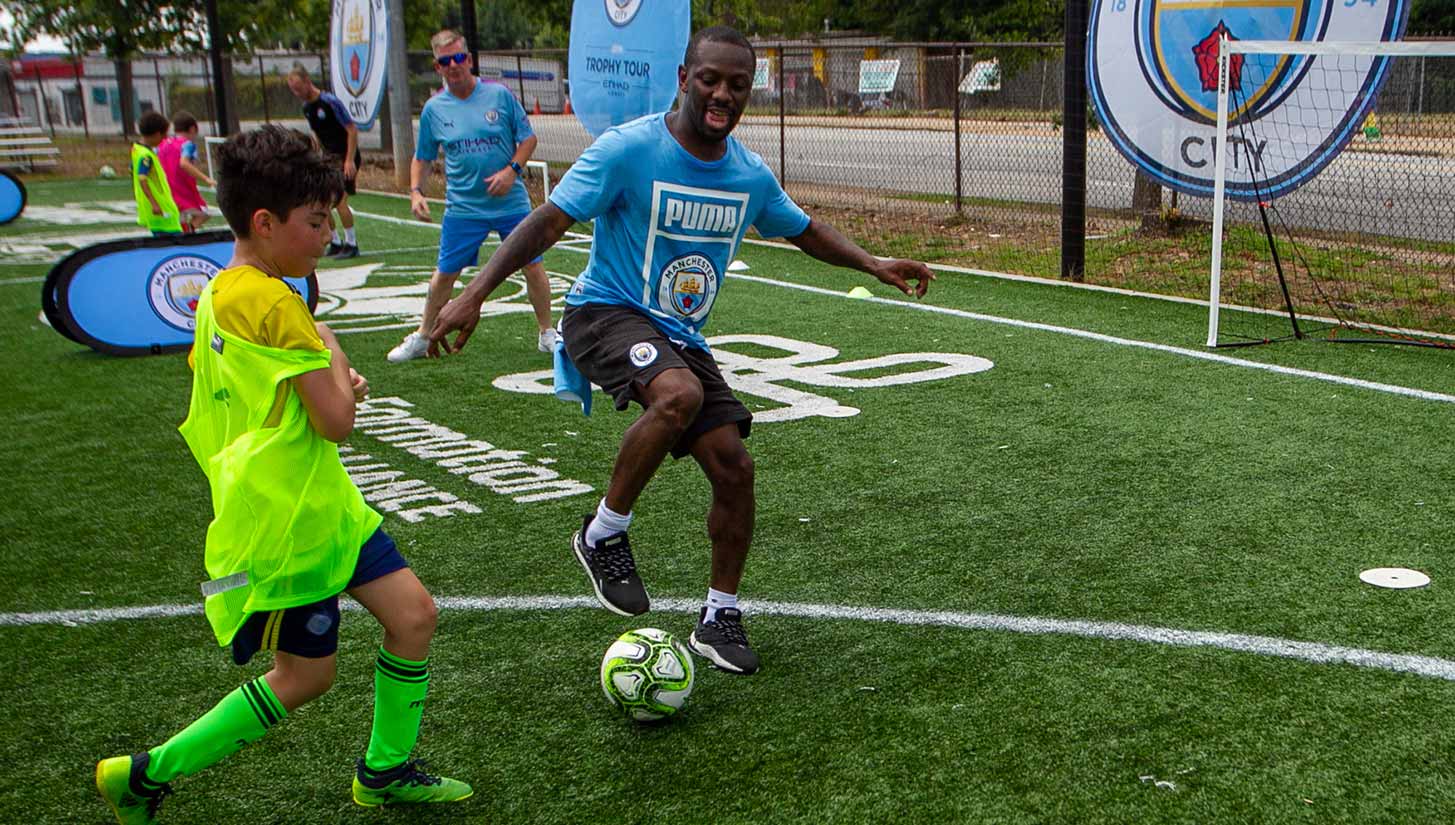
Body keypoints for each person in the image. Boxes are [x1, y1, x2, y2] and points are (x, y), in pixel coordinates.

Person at [426, 26, 934, 675]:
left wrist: (872, 262)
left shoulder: (746, 174)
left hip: (677, 336)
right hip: (603, 311)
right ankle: (602, 533)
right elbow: (547, 220)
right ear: (683, 79)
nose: (722, 95)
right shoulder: (628, 150)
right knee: (678, 394)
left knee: (734, 468)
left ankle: (719, 616)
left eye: (737, 85)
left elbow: (802, 229)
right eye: (710, 80)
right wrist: (475, 294)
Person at [95, 126, 471, 824]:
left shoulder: (221, 290)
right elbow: (336, 422)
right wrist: (329, 351)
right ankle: (146, 772)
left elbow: (260, 391)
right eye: (315, 221)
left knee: (414, 615)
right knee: (304, 677)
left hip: (322, 506)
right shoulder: (276, 303)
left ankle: (384, 769)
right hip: (292, 521)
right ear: (265, 223)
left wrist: (321, 375)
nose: (327, 234)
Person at [386, 28, 557, 363]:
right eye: (446, 61)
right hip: (463, 208)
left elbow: (527, 140)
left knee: (533, 267)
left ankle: (547, 333)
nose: (454, 66)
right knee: (444, 274)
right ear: (437, 67)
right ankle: (423, 335)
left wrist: (512, 171)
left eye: (459, 58)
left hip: (511, 204)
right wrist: (416, 191)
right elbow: (422, 157)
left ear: (469, 59)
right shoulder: (435, 109)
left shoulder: (500, 96)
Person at [286, 65, 361, 259]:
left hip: (344, 156)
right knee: (323, 201)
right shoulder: (307, 108)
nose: (297, 93)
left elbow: (351, 130)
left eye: (298, 88)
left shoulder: (329, 102)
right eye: (293, 90)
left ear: (307, 82)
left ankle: (352, 243)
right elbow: (317, 134)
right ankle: (335, 241)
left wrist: (349, 160)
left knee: (340, 201)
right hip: (328, 158)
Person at [157, 111, 214, 232]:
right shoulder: (187, 145)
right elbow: (184, 163)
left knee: (181, 217)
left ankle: (185, 232)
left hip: (167, 189)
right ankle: (188, 232)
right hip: (183, 189)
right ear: (193, 129)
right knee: (204, 213)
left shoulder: (164, 144)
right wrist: (206, 178)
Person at [131, 111, 182, 236]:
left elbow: (132, 170)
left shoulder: (136, 149)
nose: (165, 138)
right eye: (164, 134)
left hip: (151, 208)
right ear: (157, 134)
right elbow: (142, 178)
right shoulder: (146, 156)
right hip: (161, 208)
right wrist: (154, 203)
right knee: (175, 241)